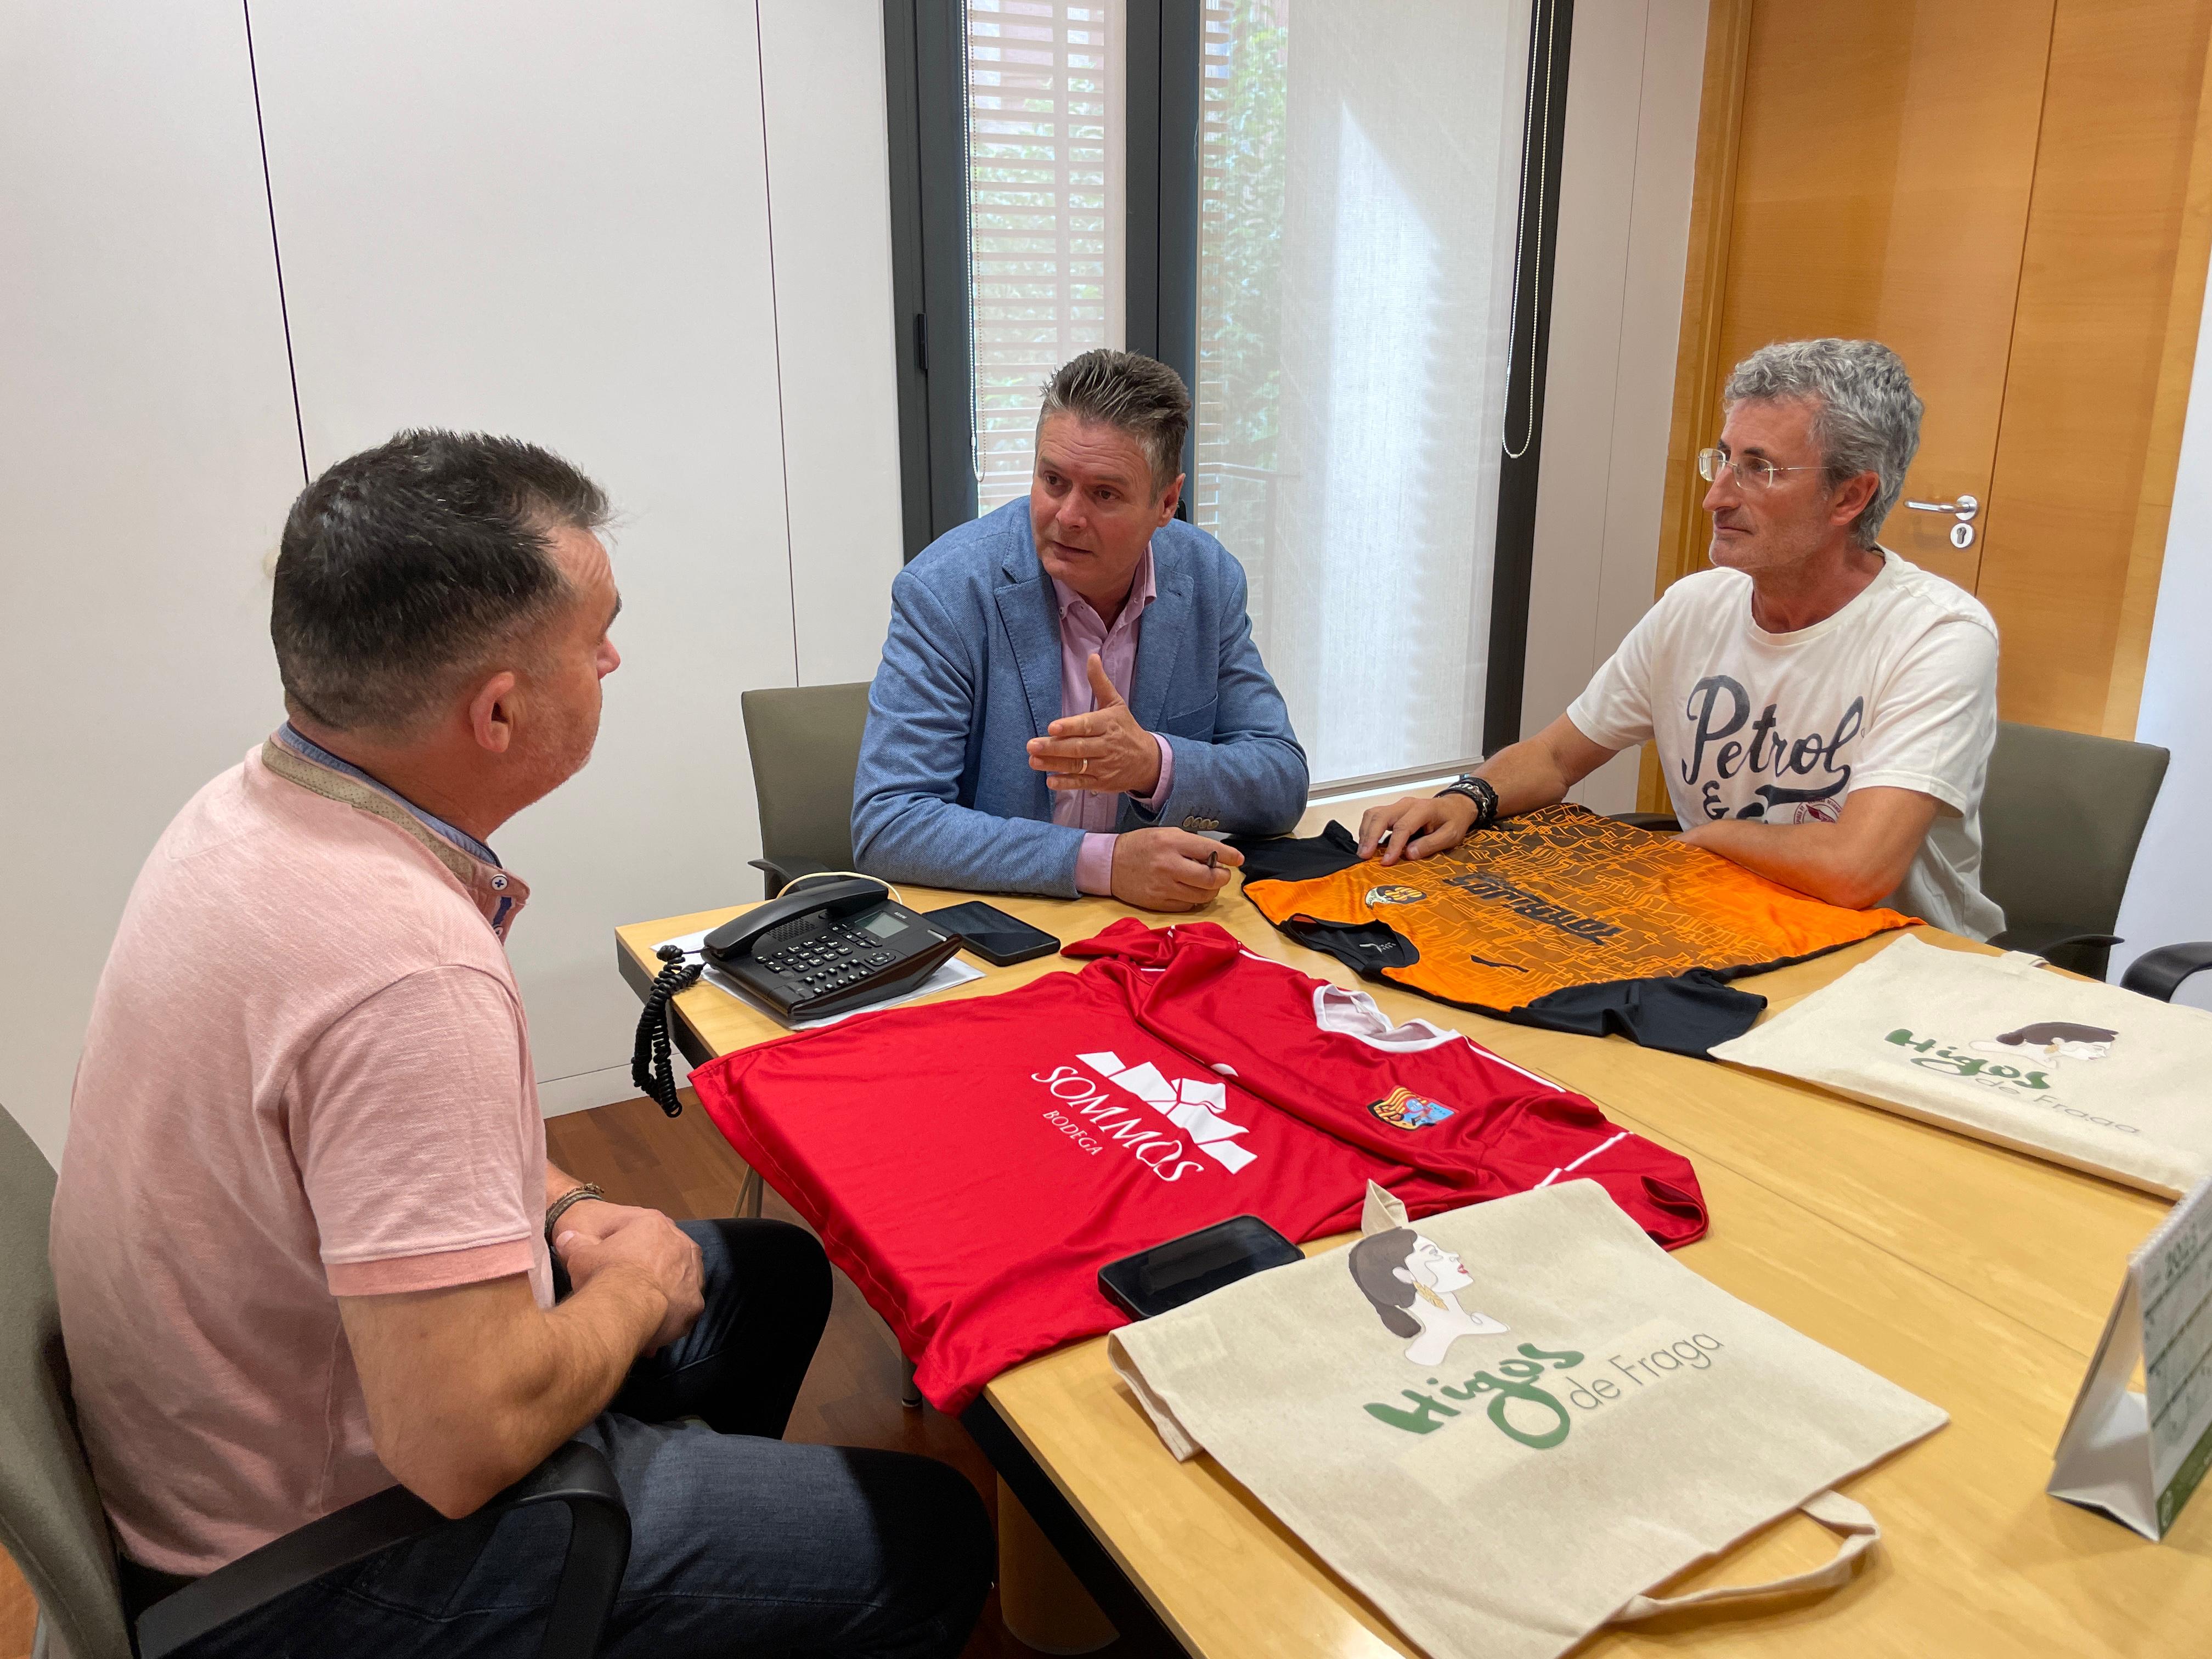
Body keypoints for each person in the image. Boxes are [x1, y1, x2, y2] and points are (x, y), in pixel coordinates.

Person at [48, 431, 992, 1658]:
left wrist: (564, 1210)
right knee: (930, 1538)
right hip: (315, 1566)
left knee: (769, 1279)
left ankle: (658, 1604)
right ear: (497, 709)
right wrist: (633, 1288)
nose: (613, 657)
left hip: (225, 1455)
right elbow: (459, 1448)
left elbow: (357, 1154)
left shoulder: (249, 810)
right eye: (594, 635)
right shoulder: (403, 966)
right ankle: (619, 1584)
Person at [1358, 338, 2004, 940]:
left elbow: (1854, 870)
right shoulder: (1694, 608)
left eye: (1760, 469)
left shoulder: (1939, 636)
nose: (1716, 497)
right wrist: (1466, 797)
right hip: (1724, 925)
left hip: (1889, 963)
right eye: (1724, 459)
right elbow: (1555, 759)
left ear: (1850, 497)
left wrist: (1708, 840)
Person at [852, 349, 1307, 910]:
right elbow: (890, 823)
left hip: (1157, 925)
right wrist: (1106, 863)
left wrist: (1154, 764)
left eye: (1105, 493)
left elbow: (1281, 782)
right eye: (1053, 480)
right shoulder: (947, 591)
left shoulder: (1208, 580)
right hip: (1006, 920)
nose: (1067, 515)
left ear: (1167, 501)